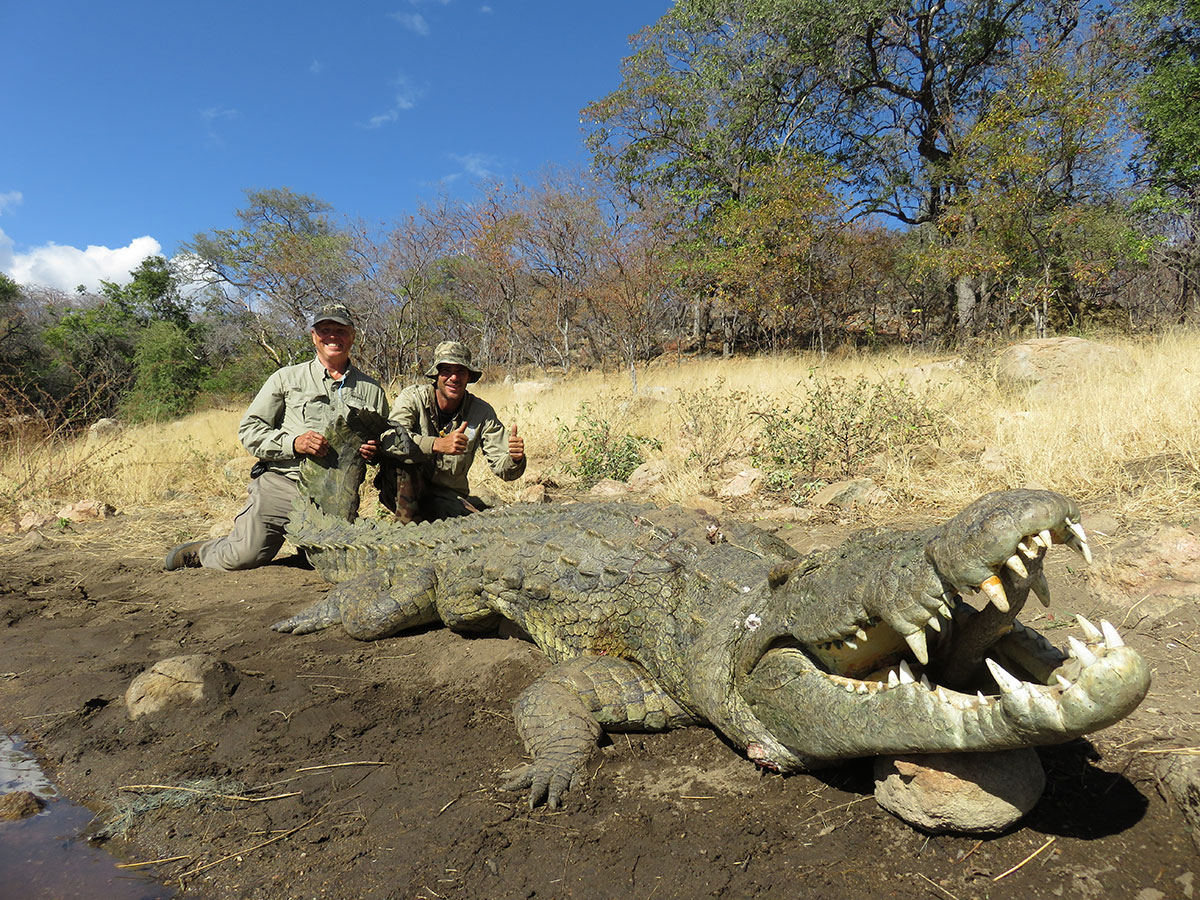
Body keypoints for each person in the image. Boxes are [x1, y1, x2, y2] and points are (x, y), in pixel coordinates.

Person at [164, 303, 414, 571]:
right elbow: (250, 430)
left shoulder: (372, 390)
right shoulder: (286, 378)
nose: (333, 336)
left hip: (337, 497)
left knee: (332, 565)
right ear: (314, 336)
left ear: (353, 336)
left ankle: (304, 547)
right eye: (325, 330)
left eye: (340, 330)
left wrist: (374, 452)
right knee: (243, 557)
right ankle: (206, 551)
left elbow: (382, 444)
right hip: (283, 485)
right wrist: (294, 444)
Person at [391, 340, 525, 521]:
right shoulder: (412, 398)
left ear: (469, 377)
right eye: (446, 370)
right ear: (436, 375)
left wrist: (515, 459)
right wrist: (437, 444)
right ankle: (405, 526)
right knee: (404, 463)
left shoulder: (482, 413)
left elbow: (505, 469)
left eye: (461, 371)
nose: (454, 378)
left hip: (447, 496)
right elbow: (391, 439)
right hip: (401, 490)